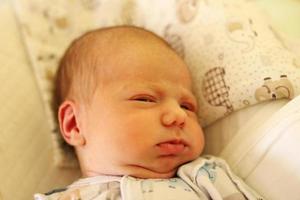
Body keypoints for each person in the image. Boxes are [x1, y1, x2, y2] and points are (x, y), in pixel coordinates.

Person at [35, 26, 263, 200]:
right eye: (145, 99)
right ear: (74, 124)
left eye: (187, 106)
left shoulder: (207, 177)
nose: (178, 115)